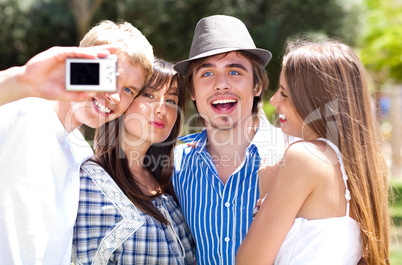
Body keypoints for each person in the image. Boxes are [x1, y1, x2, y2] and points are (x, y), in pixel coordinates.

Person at [0, 20, 154, 264]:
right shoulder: (22, 110)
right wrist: (22, 80)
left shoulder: (80, 150)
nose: (114, 96)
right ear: (81, 64)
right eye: (109, 76)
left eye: (128, 91)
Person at [236, 39, 390, 265]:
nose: (274, 100)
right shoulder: (359, 169)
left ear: (317, 101)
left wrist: (266, 187)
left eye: (285, 94)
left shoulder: (304, 157)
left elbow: (249, 261)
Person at [172, 15, 285, 265]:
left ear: (257, 86)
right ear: (192, 91)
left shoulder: (292, 154)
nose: (221, 84)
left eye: (235, 71)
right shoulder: (175, 167)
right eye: (207, 73)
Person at [72, 58, 195, 264]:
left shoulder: (172, 180)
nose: (161, 109)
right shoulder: (89, 182)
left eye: (171, 101)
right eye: (149, 95)